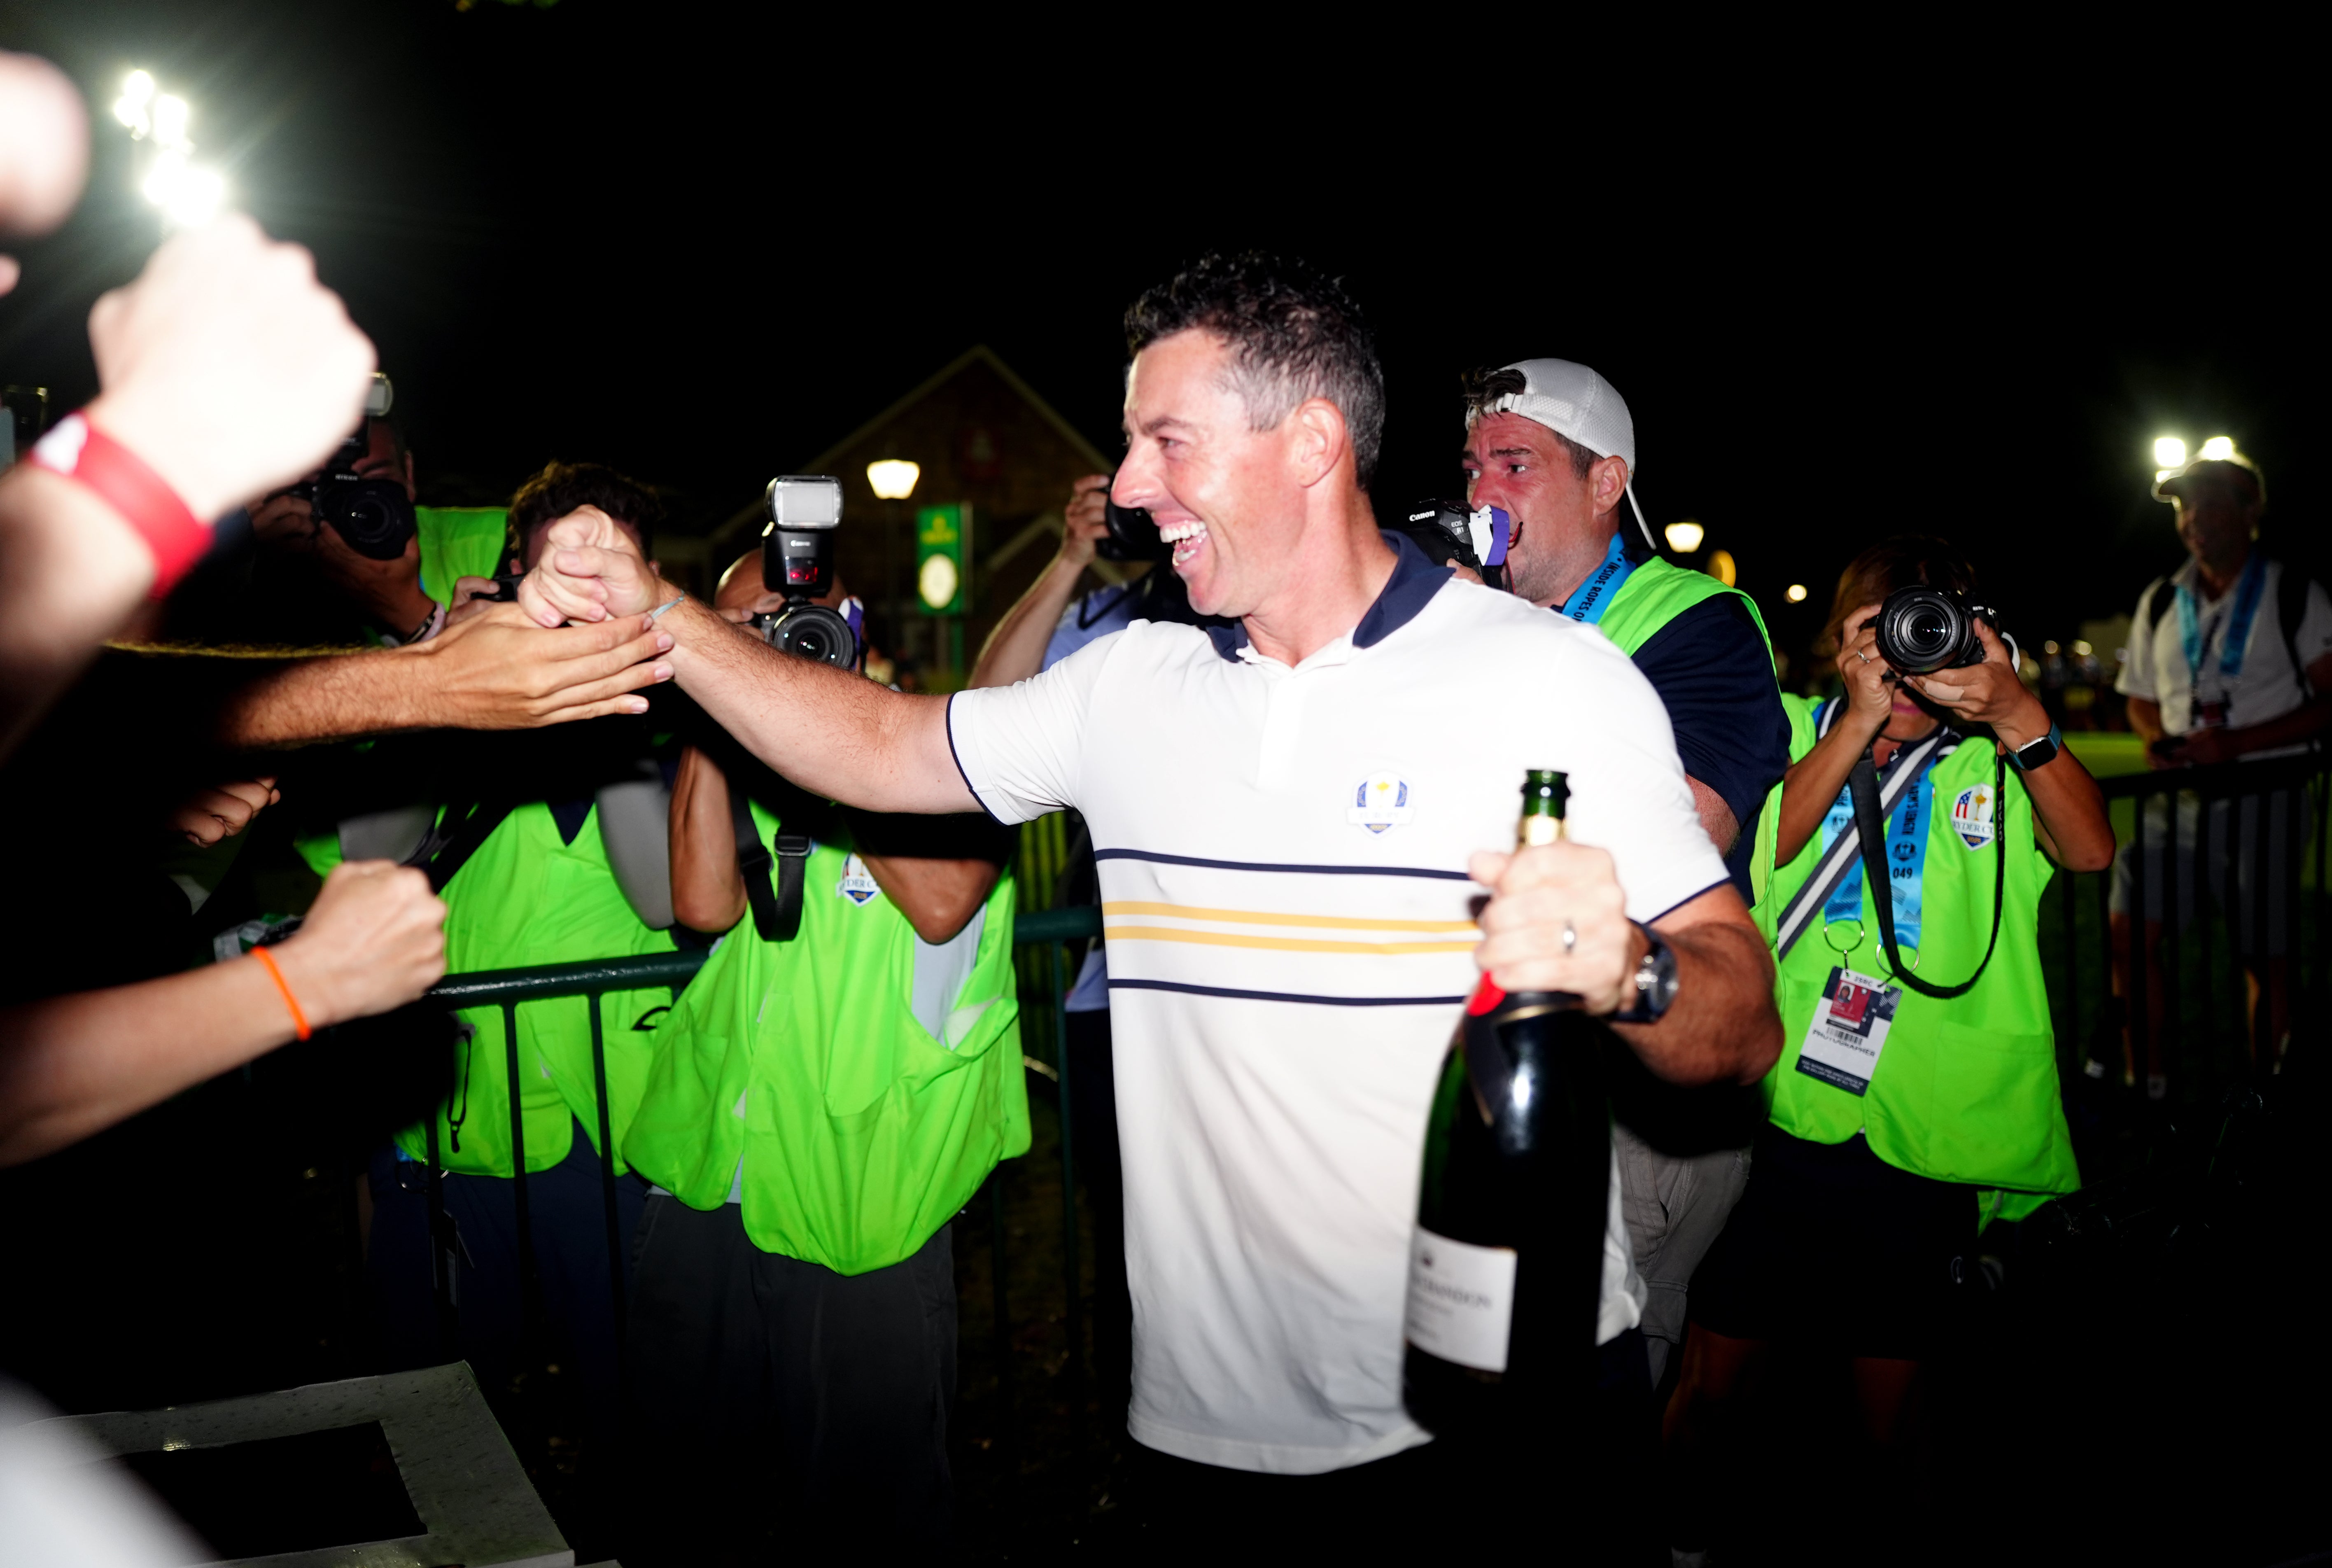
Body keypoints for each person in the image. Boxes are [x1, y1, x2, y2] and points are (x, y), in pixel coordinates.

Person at [522, 251, 1780, 1548]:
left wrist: (1630, 968)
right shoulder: (1128, 688)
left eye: (1166, 442)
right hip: (1207, 1441)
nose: (1128, 487)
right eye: (1132, 447)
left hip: (1513, 1419)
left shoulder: (1549, 680)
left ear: (1310, 442)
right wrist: (661, 612)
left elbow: (1743, 1026)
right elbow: (879, 749)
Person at [1664, 537, 2113, 1564]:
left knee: (1891, 1420)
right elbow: (1747, 850)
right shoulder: (1781, 729)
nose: (1910, 665)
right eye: (1885, 635)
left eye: (1931, 631)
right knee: (1710, 1389)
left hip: (1917, 1140)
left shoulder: (1991, 762)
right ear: (1839, 642)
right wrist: (1858, 723)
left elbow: (2089, 850)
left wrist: (2017, 715)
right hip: (1777, 1119)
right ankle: (1679, 1544)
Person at [620, 548, 1024, 1558]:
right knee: (686, 1494)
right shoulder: (743, 761)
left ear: (849, 621)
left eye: (766, 627)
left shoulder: (948, 752)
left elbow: (944, 901)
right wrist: (726, 707)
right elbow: (704, 902)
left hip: (860, 1216)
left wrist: (824, 721)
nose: (746, 650)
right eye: (723, 634)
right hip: (715, 1182)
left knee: (864, 1520)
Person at [349, 468, 679, 1527]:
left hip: (604, 1125)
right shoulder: (458, 697)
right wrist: (438, 688)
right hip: (458, 1127)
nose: (582, 593)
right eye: (560, 570)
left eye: (609, 571)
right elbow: (370, 855)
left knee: (633, 1412)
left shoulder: (667, 712)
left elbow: (660, 891)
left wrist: (615, 694)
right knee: (444, 1416)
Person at [1462, 358, 1792, 1391]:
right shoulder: (1470, 622)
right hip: (1495, 1072)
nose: (1482, 493)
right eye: (1472, 466)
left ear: (1608, 482)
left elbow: (1682, 828)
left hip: (1635, 1094)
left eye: (1515, 463)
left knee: (1593, 1399)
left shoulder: (1697, 621)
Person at [967, 472, 1218, 1428]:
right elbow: (990, 704)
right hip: (1111, 988)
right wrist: (1072, 555)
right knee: (1129, 1220)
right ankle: (1138, 1407)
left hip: (1230, 991)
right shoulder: (1116, 627)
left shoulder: (1258, 614)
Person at [2111, 449, 2332, 1089]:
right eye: (2184, 505)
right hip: (2178, 799)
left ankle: (2266, 1098)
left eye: (2210, 502)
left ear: (2251, 511)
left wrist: (2238, 746)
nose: (2193, 519)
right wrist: (2157, 740)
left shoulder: (2294, 593)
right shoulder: (2161, 599)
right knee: (2128, 931)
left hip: (2267, 797)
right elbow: (2142, 699)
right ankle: (2146, 1087)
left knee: (2266, 957)